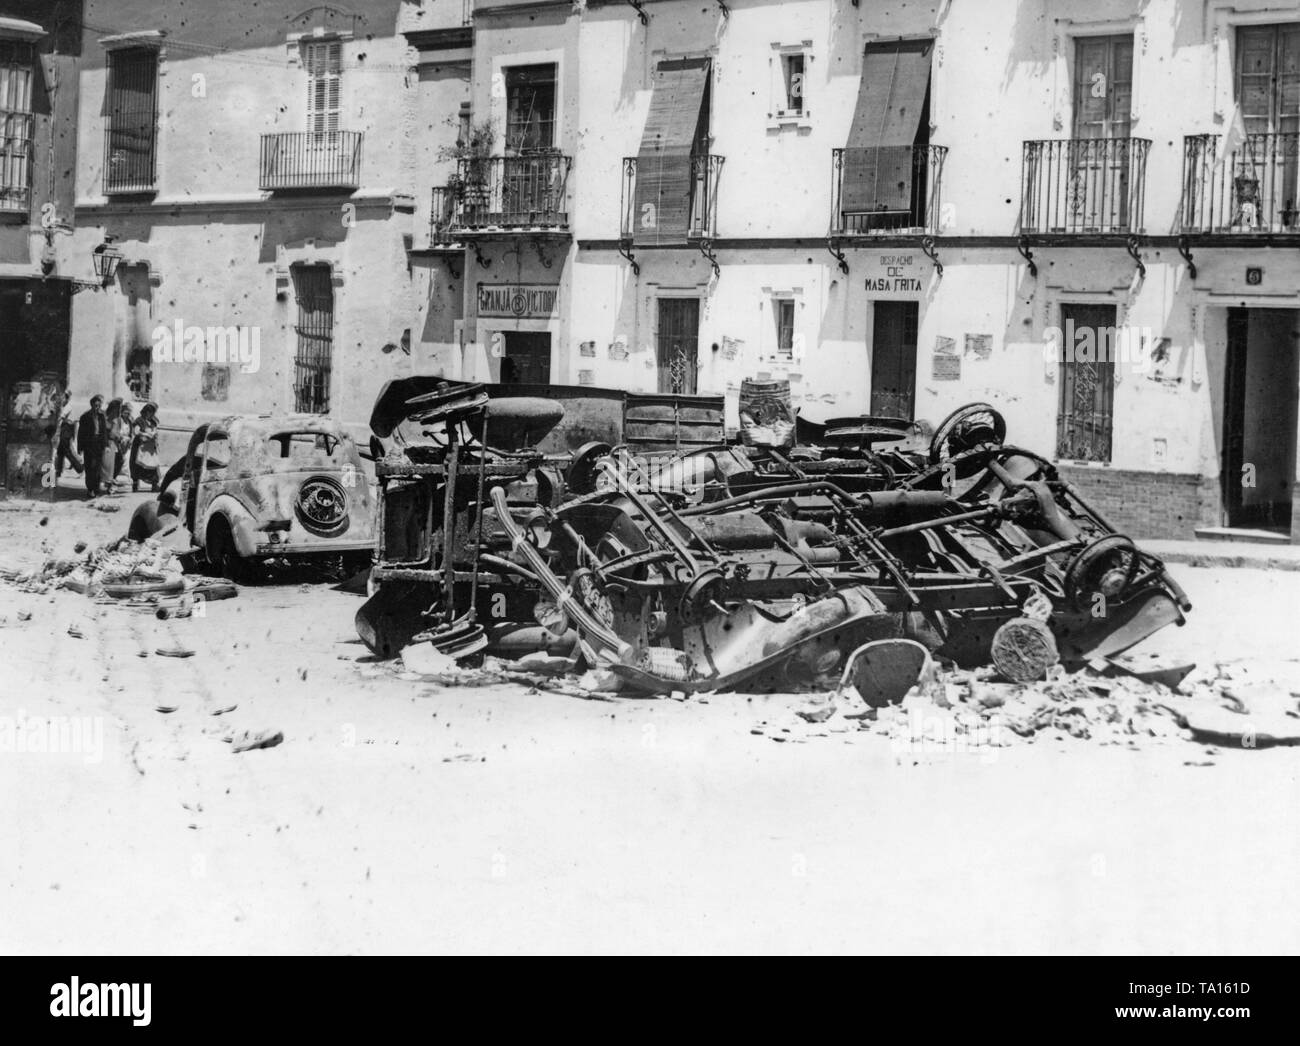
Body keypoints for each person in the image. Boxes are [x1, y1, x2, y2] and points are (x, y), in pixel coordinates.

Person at [76, 395, 109, 496]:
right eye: (96, 405)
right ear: (92, 405)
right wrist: (80, 447)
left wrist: (106, 445)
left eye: (99, 405)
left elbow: (104, 432)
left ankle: (96, 488)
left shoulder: (102, 416)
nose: (97, 407)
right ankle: (90, 489)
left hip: (98, 444)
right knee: (90, 467)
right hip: (89, 445)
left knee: (98, 467)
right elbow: (80, 433)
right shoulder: (85, 416)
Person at [130, 402, 161, 492]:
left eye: (153, 412)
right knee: (137, 465)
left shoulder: (153, 421)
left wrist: (154, 435)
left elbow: (155, 430)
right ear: (145, 411)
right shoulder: (139, 420)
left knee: (153, 465)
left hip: (150, 447)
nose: (151, 414)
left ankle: (154, 485)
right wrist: (145, 434)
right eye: (149, 412)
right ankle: (135, 484)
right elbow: (136, 432)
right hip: (140, 445)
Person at [53, 390, 83, 481]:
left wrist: (57, 430)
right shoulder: (65, 406)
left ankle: (80, 468)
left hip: (66, 429)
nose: (61, 400)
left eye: (63, 398)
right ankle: (58, 471)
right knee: (60, 451)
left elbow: (61, 418)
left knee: (66, 451)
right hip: (66, 428)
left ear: (67, 398)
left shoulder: (68, 407)